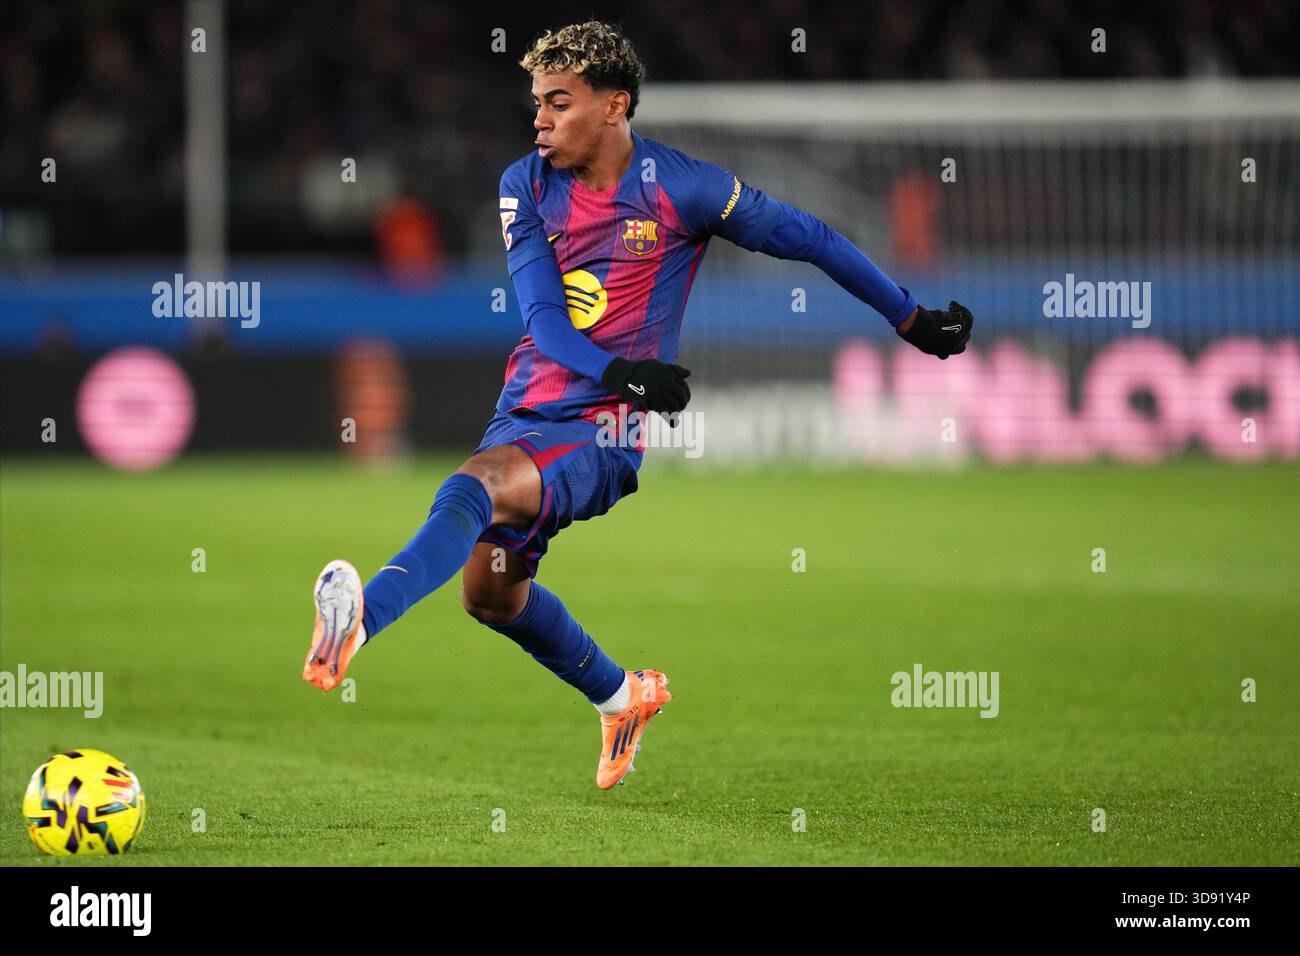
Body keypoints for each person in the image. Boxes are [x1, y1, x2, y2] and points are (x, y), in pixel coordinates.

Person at [303, 20, 973, 790]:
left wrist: (910, 317)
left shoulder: (683, 188)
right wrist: (622, 367)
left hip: (603, 431)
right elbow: (545, 322)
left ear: (615, 106)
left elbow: (810, 236)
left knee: (475, 485)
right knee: (490, 595)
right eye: (536, 101)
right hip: (529, 410)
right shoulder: (524, 184)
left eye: (559, 101)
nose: (540, 119)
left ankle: (363, 619)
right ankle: (623, 697)